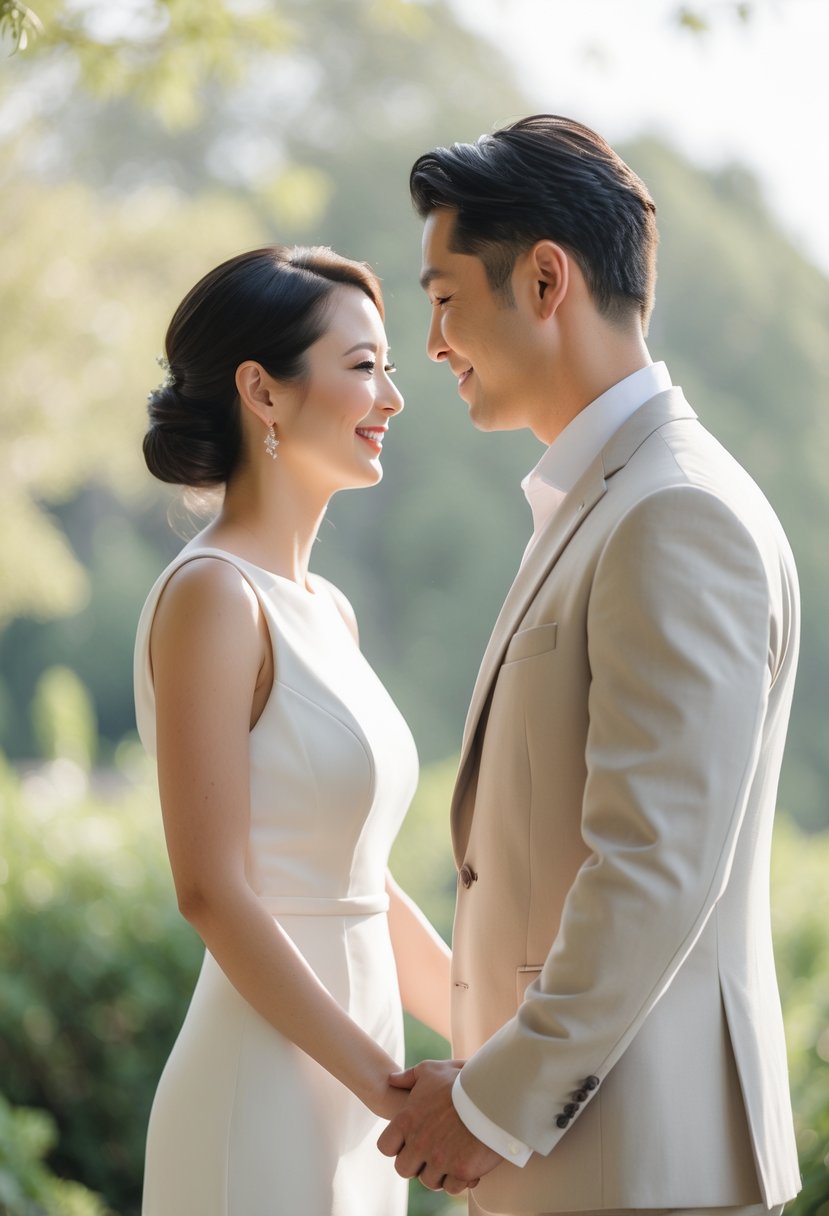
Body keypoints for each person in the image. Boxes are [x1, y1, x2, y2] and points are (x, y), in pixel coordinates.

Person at [378, 115, 801, 1216]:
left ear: (544, 279)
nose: (432, 343)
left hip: (640, 1162)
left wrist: (489, 1103)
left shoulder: (675, 511)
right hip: (595, 1157)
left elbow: (653, 864)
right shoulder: (614, 500)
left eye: (443, 297)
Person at [133, 245, 451, 1215]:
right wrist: (390, 1091)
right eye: (362, 366)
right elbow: (211, 890)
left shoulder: (328, 609)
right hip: (262, 1087)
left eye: (387, 366)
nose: (392, 395)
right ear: (262, 392)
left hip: (359, 1085)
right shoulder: (214, 595)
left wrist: (506, 1045)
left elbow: (363, 885)